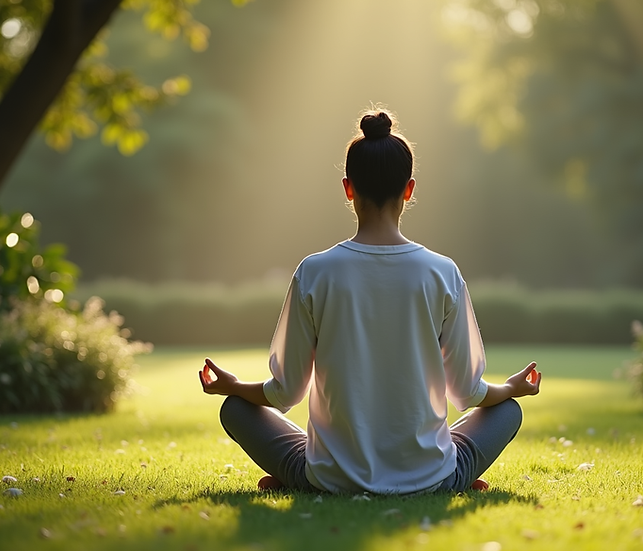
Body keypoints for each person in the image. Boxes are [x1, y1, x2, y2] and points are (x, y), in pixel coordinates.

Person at [198, 108, 541, 495]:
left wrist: (234, 386)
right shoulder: (442, 273)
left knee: (235, 409)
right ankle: (449, 481)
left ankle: (304, 480)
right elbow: (468, 393)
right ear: (409, 190)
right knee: (507, 411)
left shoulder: (315, 272)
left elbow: (284, 393)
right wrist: (511, 389)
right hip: (430, 476)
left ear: (348, 188)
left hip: (333, 476)